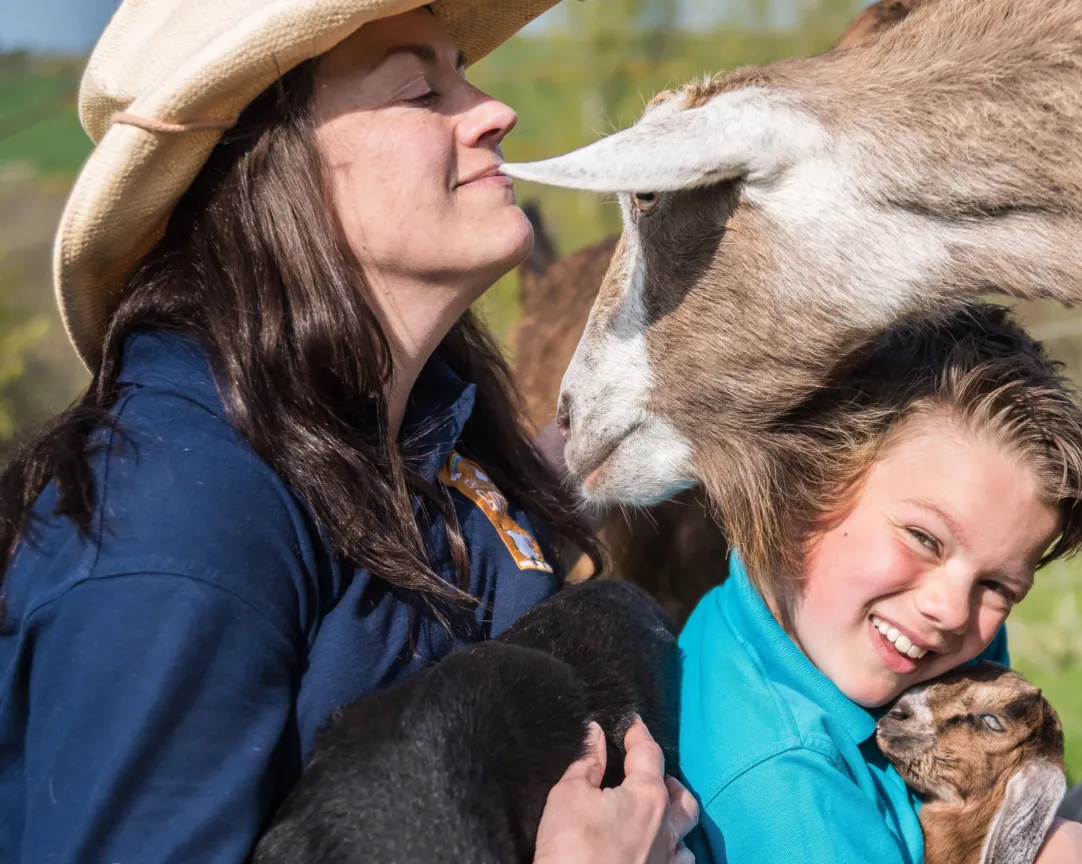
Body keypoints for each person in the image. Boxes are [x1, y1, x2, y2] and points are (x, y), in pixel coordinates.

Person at [0, 2, 693, 861]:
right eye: (419, 90)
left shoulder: (423, 444)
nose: (494, 110)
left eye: (461, 74)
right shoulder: (172, 518)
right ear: (263, 170)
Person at [677, 303, 1082, 863]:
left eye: (997, 587)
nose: (953, 610)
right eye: (924, 539)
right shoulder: (787, 793)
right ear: (807, 481)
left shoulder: (850, 632)